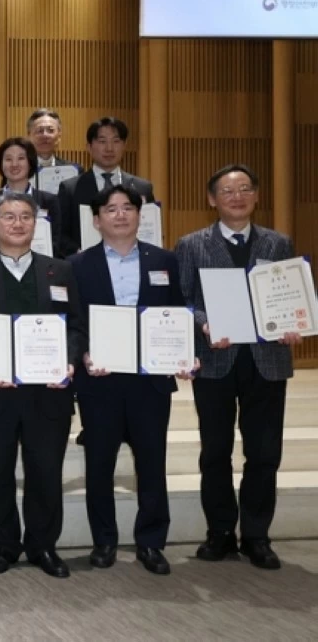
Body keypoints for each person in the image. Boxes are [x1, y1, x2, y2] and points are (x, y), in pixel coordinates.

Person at [0, 192, 85, 578]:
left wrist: (69, 360)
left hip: (49, 392)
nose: (17, 223)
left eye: (25, 216)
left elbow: (76, 326)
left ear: (35, 224)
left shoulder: (60, 271)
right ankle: (5, 544)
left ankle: (43, 545)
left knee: (45, 471)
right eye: (8, 216)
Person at [176, 164, 297, 570]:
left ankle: (258, 536)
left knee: (265, 453)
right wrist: (204, 323)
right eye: (228, 191)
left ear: (256, 195)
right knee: (215, 452)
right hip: (216, 360)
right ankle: (221, 533)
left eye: (245, 188)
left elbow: (287, 296)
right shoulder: (191, 245)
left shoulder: (278, 244)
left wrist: (294, 323)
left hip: (267, 361)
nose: (237, 196)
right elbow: (184, 302)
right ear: (212, 199)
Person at [70, 184, 191, 576]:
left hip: (150, 380)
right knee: (100, 465)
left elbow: (179, 312)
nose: (120, 215)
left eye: (127, 208)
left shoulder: (165, 261)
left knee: (152, 464)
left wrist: (184, 352)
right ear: (96, 220)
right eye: (111, 209)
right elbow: (74, 322)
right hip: (100, 380)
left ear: (140, 215)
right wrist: (84, 354)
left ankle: (152, 542)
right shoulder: (77, 265)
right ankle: (104, 541)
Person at [56, 117, 155, 257]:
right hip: (86, 266)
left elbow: (149, 229)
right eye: (102, 141)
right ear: (89, 147)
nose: (109, 148)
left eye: (116, 141)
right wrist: (80, 254)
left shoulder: (142, 188)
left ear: (124, 145)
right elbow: (60, 234)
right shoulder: (70, 188)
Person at [0, 138, 63, 257]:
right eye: (8, 159)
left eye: (21, 158)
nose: (14, 164)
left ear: (30, 163)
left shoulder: (49, 201)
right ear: (1, 164)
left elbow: (56, 241)